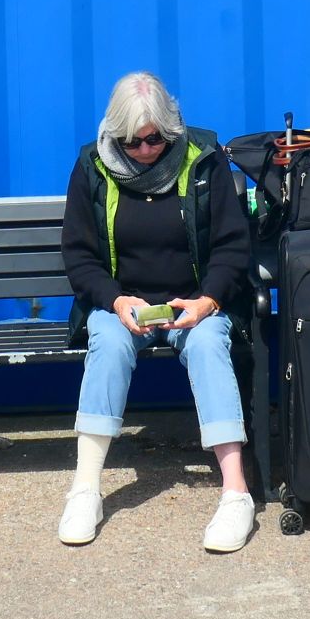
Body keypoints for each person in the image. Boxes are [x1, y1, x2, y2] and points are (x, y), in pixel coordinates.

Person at [55, 71, 258, 554]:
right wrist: (115, 299)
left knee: (209, 344)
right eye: (132, 142)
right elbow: (79, 255)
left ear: (171, 129)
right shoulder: (91, 165)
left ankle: (236, 492)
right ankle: (85, 490)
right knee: (107, 342)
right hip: (124, 306)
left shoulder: (203, 158)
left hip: (193, 303)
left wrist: (208, 300)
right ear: (115, 134)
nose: (145, 150)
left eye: (155, 140)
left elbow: (232, 245)